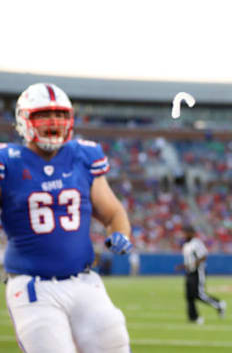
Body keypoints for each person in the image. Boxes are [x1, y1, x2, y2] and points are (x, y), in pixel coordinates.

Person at [0, 82, 133, 353]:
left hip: (83, 280)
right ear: (24, 120)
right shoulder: (8, 161)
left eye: (60, 115)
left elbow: (113, 212)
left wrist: (120, 234)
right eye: (44, 115)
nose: (54, 121)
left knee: (115, 345)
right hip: (32, 286)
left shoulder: (83, 156)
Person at [180, 225, 226, 324]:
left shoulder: (196, 243)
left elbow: (203, 256)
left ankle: (219, 304)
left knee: (199, 294)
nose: (184, 235)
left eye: (186, 232)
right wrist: (185, 266)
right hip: (189, 272)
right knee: (189, 296)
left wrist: (193, 264)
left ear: (191, 233)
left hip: (198, 271)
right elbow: (189, 260)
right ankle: (194, 318)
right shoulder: (186, 245)